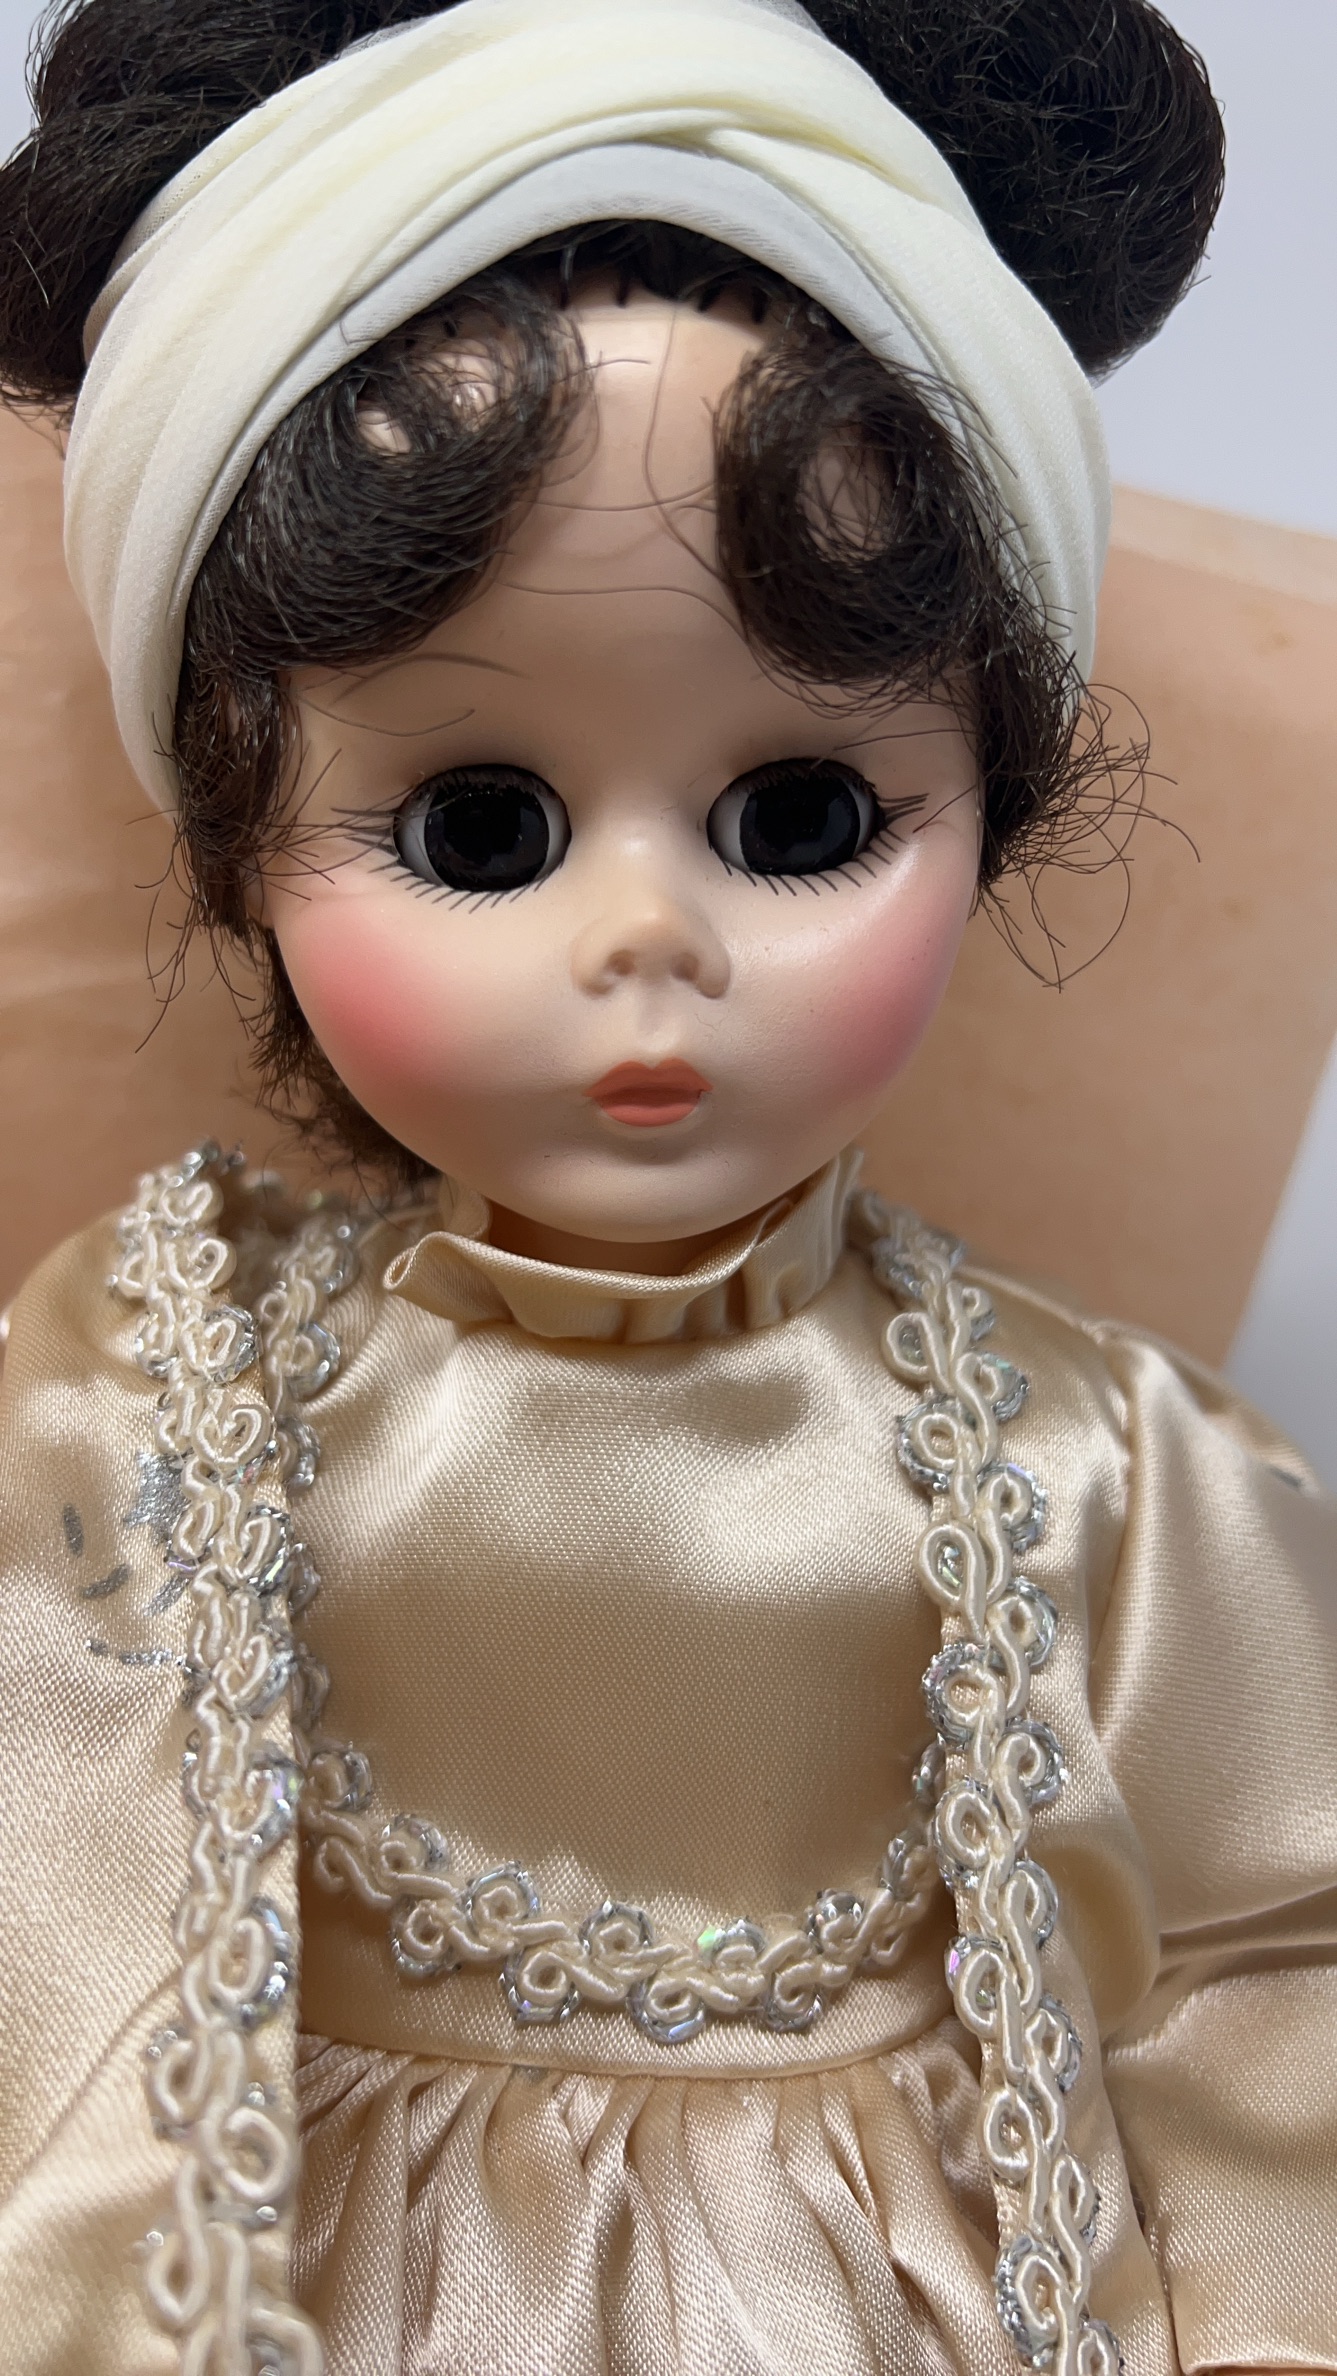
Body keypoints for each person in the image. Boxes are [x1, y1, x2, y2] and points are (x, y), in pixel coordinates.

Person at [0, 2, 1332, 2371]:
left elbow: (1264, 1970)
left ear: (989, 809)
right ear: (238, 848)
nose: (648, 942)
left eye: (800, 817)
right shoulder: (149, 1403)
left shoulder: (1102, 1473)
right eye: (477, 827)